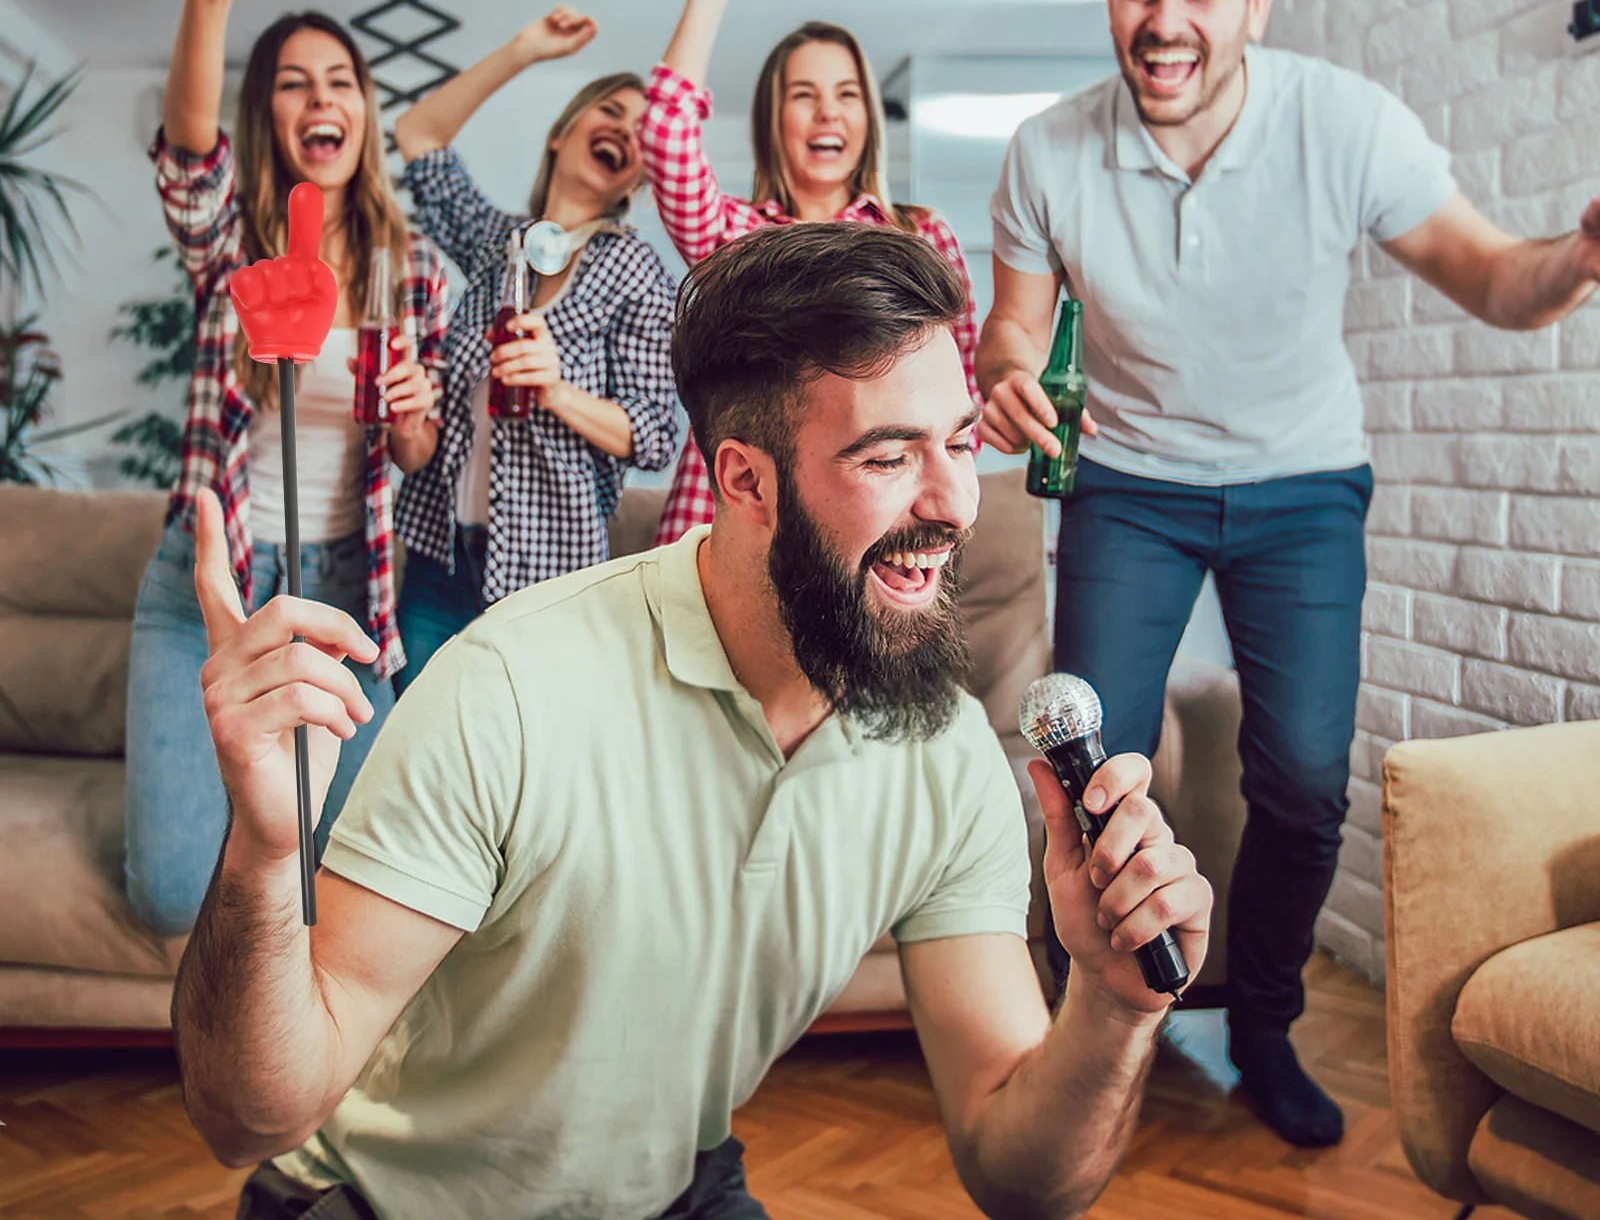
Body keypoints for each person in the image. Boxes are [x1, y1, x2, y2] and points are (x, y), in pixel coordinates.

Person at [171, 223, 1212, 1220]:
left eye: (960, 442)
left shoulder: (944, 753)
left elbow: (1022, 1180)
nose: (954, 503)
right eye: (888, 458)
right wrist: (264, 852)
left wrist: (1112, 1004)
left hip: (664, 1193)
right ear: (745, 480)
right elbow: (251, 1117)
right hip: (383, 1203)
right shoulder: (511, 688)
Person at [978, 0, 1600, 1149]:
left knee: (1306, 782)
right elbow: (1012, 330)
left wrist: (1581, 255)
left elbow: (1496, 277)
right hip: (1129, 489)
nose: (1167, 20)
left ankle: (1260, 1023)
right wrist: (1005, 376)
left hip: (1302, 488)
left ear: (1256, 2)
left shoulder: (1345, 122)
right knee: (1092, 772)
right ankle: (1086, 1027)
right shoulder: (1048, 150)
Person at [123, 0, 449, 937]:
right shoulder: (231, 251)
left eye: (341, 80)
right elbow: (188, 158)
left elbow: (414, 454)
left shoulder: (414, 271)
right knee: (168, 891)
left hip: (348, 593)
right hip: (212, 585)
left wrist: (413, 417)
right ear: (268, 112)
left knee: (362, 874)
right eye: (294, 82)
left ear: (363, 109)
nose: (322, 98)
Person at [639, 0, 979, 544]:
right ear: (774, 120)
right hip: (731, 524)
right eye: (804, 95)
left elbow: (962, 405)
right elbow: (663, 133)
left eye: (846, 94)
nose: (828, 113)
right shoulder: (736, 243)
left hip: (874, 527)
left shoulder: (920, 237)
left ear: (868, 116)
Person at [390, 8, 679, 687]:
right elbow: (416, 134)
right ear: (561, 134)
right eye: (609, 111)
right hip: (438, 561)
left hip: (552, 576)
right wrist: (524, 50)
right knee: (419, 743)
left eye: (640, 133)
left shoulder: (635, 270)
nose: (624, 130)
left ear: (639, 178)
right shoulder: (496, 244)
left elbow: (656, 436)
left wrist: (555, 391)